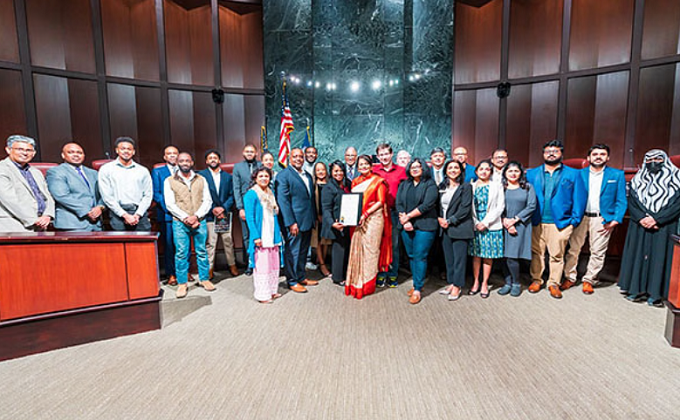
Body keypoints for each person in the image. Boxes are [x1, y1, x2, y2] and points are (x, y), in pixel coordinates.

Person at [618, 150, 680, 307]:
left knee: (660, 258)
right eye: (649, 159)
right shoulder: (637, 179)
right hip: (640, 224)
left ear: (665, 160)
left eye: (658, 158)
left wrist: (657, 219)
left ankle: (656, 294)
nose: (653, 161)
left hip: (664, 225)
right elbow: (632, 203)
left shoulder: (677, 178)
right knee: (637, 256)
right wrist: (642, 218)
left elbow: (677, 205)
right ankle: (635, 289)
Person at [526, 140, 587, 299]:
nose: (551, 154)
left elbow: (579, 199)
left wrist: (574, 220)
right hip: (536, 220)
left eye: (555, 151)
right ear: (543, 154)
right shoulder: (531, 174)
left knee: (557, 255)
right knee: (537, 252)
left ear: (561, 154)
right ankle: (536, 280)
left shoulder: (573, 174)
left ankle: (553, 283)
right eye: (547, 151)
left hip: (560, 222)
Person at [563, 144, 627, 295]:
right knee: (573, 250)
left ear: (608, 157)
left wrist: (616, 220)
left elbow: (621, 200)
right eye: (595, 154)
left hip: (602, 219)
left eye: (602, 154)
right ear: (588, 157)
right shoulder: (579, 174)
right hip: (580, 217)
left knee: (598, 252)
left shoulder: (616, 175)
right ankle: (570, 277)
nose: (598, 156)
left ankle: (589, 280)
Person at [164, 152, 214, 298]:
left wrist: (196, 216)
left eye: (187, 160)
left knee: (202, 251)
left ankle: (204, 279)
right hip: (180, 222)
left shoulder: (201, 179)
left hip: (200, 220)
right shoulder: (169, 180)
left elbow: (208, 201)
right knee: (181, 253)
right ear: (177, 163)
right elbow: (170, 204)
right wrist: (186, 217)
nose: (185, 163)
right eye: (182, 160)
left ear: (192, 162)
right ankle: (182, 284)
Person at [345, 155, 392, 299]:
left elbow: (380, 201)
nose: (363, 167)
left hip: (373, 219)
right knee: (358, 249)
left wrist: (365, 214)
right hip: (358, 220)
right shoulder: (355, 182)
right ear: (357, 167)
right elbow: (353, 202)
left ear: (371, 166)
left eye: (366, 164)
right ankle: (355, 282)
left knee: (371, 251)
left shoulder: (378, 182)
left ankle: (367, 284)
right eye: (361, 165)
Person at [275, 148, 319, 293]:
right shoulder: (283, 176)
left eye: (301, 156)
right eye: (295, 156)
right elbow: (283, 201)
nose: (299, 159)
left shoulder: (307, 175)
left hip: (307, 220)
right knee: (293, 252)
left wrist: (313, 218)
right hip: (294, 222)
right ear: (289, 158)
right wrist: (290, 223)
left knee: (302, 251)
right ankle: (292, 280)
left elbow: (309, 199)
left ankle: (301, 276)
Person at [396, 158, 438, 304]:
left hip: (425, 225)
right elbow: (398, 202)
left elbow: (427, 205)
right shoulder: (405, 184)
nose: (414, 169)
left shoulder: (430, 184)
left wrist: (408, 217)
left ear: (424, 168)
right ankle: (416, 283)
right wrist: (405, 219)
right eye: (412, 167)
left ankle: (418, 289)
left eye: (418, 167)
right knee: (412, 256)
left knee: (420, 256)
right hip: (406, 225)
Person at [244, 167, 284, 303]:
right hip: (261, 235)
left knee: (273, 263)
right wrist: (256, 237)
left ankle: (272, 291)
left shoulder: (270, 193)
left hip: (272, 234)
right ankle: (262, 295)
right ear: (255, 178)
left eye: (266, 176)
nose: (264, 178)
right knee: (262, 266)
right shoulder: (251, 194)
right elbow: (249, 217)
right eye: (260, 176)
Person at [0, 135, 54, 232]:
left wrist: (47, 215)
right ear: (8, 150)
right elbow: (10, 199)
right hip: (13, 225)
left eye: (29, 150)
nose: (24, 153)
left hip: (41, 226)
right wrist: (33, 220)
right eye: (20, 149)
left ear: (33, 153)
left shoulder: (36, 172)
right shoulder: (2, 169)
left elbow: (47, 196)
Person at [199, 149, 239, 279]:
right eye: (210, 158)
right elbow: (200, 196)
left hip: (225, 214)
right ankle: (210, 268)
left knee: (228, 241)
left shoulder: (228, 176)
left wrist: (223, 208)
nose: (212, 160)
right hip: (210, 214)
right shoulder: (201, 176)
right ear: (206, 161)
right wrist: (213, 209)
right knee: (211, 242)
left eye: (215, 157)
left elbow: (232, 195)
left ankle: (232, 265)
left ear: (219, 160)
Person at [498, 161, 536, 297]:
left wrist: (514, 220)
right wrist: (504, 221)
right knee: (503, 256)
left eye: (516, 171)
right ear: (505, 173)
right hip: (502, 224)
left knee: (512, 257)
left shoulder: (527, 187)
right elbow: (495, 206)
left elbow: (531, 206)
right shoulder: (501, 188)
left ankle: (516, 283)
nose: (513, 174)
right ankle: (507, 282)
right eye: (510, 171)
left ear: (521, 173)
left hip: (520, 225)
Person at [46, 142, 104, 231]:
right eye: (71, 152)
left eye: (79, 153)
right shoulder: (55, 172)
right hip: (72, 224)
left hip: (96, 224)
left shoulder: (93, 173)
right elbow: (61, 196)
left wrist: (100, 207)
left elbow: (104, 194)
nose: (76, 155)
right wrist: (87, 212)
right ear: (63, 155)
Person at [99, 137, 153, 231]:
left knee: (145, 245)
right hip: (117, 214)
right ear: (117, 150)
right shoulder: (106, 169)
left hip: (139, 213)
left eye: (129, 149)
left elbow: (148, 195)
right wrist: (124, 215)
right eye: (123, 148)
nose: (126, 151)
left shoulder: (142, 170)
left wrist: (138, 214)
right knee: (120, 245)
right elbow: (107, 196)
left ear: (133, 152)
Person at [469, 160, 505, 299]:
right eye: (481, 169)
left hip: (491, 225)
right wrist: (477, 222)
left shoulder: (497, 186)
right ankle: (476, 281)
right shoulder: (471, 186)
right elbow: (468, 208)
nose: (484, 171)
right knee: (476, 255)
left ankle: (485, 283)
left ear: (490, 172)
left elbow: (500, 207)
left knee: (488, 256)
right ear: (476, 171)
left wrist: (485, 222)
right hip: (475, 223)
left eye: (487, 169)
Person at [438, 160, 473, 300]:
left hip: (459, 227)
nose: (453, 170)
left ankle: (458, 286)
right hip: (444, 228)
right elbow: (438, 205)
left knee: (459, 259)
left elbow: (465, 208)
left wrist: (450, 221)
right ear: (445, 171)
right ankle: (452, 283)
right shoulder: (442, 187)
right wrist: (439, 218)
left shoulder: (466, 187)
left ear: (460, 170)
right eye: (450, 167)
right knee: (449, 258)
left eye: (456, 168)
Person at [373, 143, 407, 287]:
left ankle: (393, 274)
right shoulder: (374, 170)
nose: (384, 157)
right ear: (378, 156)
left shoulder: (401, 171)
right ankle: (381, 273)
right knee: (379, 245)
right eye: (381, 155)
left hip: (394, 212)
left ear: (391, 154)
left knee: (394, 245)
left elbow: (405, 192)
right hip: (377, 213)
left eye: (386, 154)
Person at [151, 145, 179, 284]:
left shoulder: (184, 170)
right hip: (167, 214)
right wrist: (170, 208)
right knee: (168, 245)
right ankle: (171, 274)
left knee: (182, 244)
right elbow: (156, 194)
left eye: (175, 153)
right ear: (165, 157)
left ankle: (183, 271)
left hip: (183, 215)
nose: (172, 156)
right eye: (169, 154)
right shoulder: (158, 171)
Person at [233, 144, 261, 275]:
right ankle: (250, 263)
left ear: (256, 153)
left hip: (260, 206)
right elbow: (236, 189)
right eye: (247, 151)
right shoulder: (238, 167)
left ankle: (260, 262)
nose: (250, 153)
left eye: (252, 151)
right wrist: (240, 208)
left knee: (260, 233)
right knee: (247, 236)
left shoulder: (261, 165)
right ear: (243, 153)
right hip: (245, 206)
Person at [321, 160, 350, 286]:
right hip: (336, 224)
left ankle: (346, 274)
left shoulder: (347, 183)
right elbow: (326, 209)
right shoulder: (328, 187)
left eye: (341, 170)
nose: (339, 173)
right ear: (331, 172)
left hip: (348, 222)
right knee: (339, 250)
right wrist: (332, 223)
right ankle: (338, 277)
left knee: (346, 249)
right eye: (336, 171)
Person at [312, 161, 332, 277]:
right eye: (318, 170)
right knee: (319, 241)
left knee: (326, 241)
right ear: (315, 172)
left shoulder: (330, 184)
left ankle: (322, 260)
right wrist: (317, 216)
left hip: (328, 217)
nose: (320, 172)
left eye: (322, 169)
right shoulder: (313, 185)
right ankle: (323, 264)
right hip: (317, 218)